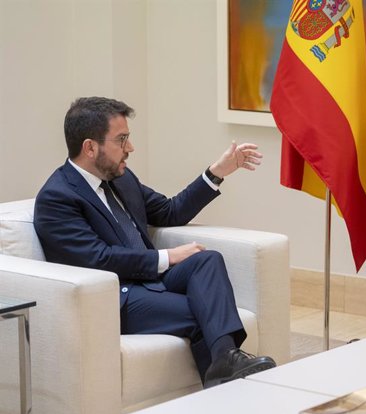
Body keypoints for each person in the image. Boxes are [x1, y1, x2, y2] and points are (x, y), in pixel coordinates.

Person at [34, 96, 276, 387]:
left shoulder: (122, 179)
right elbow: (97, 258)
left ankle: (224, 366)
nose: (130, 149)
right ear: (90, 147)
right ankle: (225, 379)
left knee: (207, 259)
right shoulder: (57, 197)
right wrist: (165, 257)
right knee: (205, 315)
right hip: (116, 296)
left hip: (150, 281)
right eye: (121, 140)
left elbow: (170, 211)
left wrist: (217, 172)